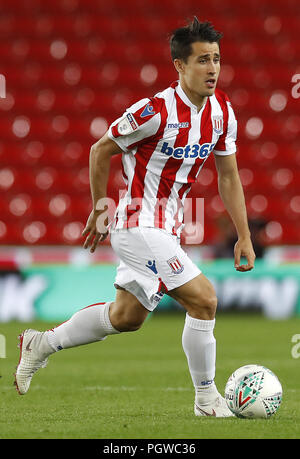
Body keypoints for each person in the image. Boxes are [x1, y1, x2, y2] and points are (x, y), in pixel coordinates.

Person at [15, 17, 256, 417]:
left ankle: (41, 344)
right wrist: (98, 207)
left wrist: (243, 235)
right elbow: (100, 150)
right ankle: (207, 399)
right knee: (205, 300)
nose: (212, 69)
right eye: (202, 61)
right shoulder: (153, 111)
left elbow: (228, 175)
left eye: (216, 59)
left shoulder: (222, 113)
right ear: (179, 65)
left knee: (126, 317)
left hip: (168, 229)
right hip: (136, 224)